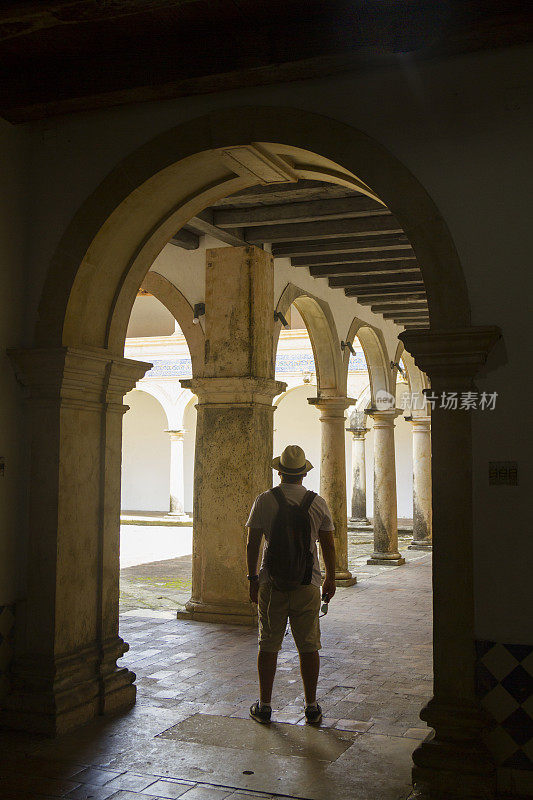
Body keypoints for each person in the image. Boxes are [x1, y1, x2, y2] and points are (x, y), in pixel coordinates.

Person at [245, 444, 337, 725]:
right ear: (303, 474)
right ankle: (310, 706)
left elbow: (252, 543)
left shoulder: (264, 500)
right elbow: (329, 546)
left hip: (272, 583)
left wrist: (253, 578)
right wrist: (330, 579)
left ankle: (264, 705)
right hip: (307, 583)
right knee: (308, 646)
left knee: (268, 644)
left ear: (280, 472)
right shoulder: (317, 502)